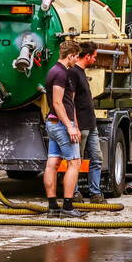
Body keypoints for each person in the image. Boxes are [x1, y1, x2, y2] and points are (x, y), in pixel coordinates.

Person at [42, 40, 85, 218]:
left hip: (53, 123)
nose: (76, 60)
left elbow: (69, 103)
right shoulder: (60, 73)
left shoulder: (54, 71)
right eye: (76, 56)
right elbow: (58, 103)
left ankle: (52, 207)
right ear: (70, 55)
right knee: (74, 163)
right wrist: (70, 126)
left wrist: (76, 124)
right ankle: (67, 207)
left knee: (52, 164)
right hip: (60, 125)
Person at [70, 41, 105, 203]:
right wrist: (74, 125)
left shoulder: (82, 72)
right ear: (88, 56)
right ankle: (74, 192)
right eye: (95, 56)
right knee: (76, 160)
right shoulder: (73, 73)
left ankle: (95, 193)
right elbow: (70, 101)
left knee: (96, 158)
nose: (95, 59)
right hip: (81, 125)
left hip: (91, 125)